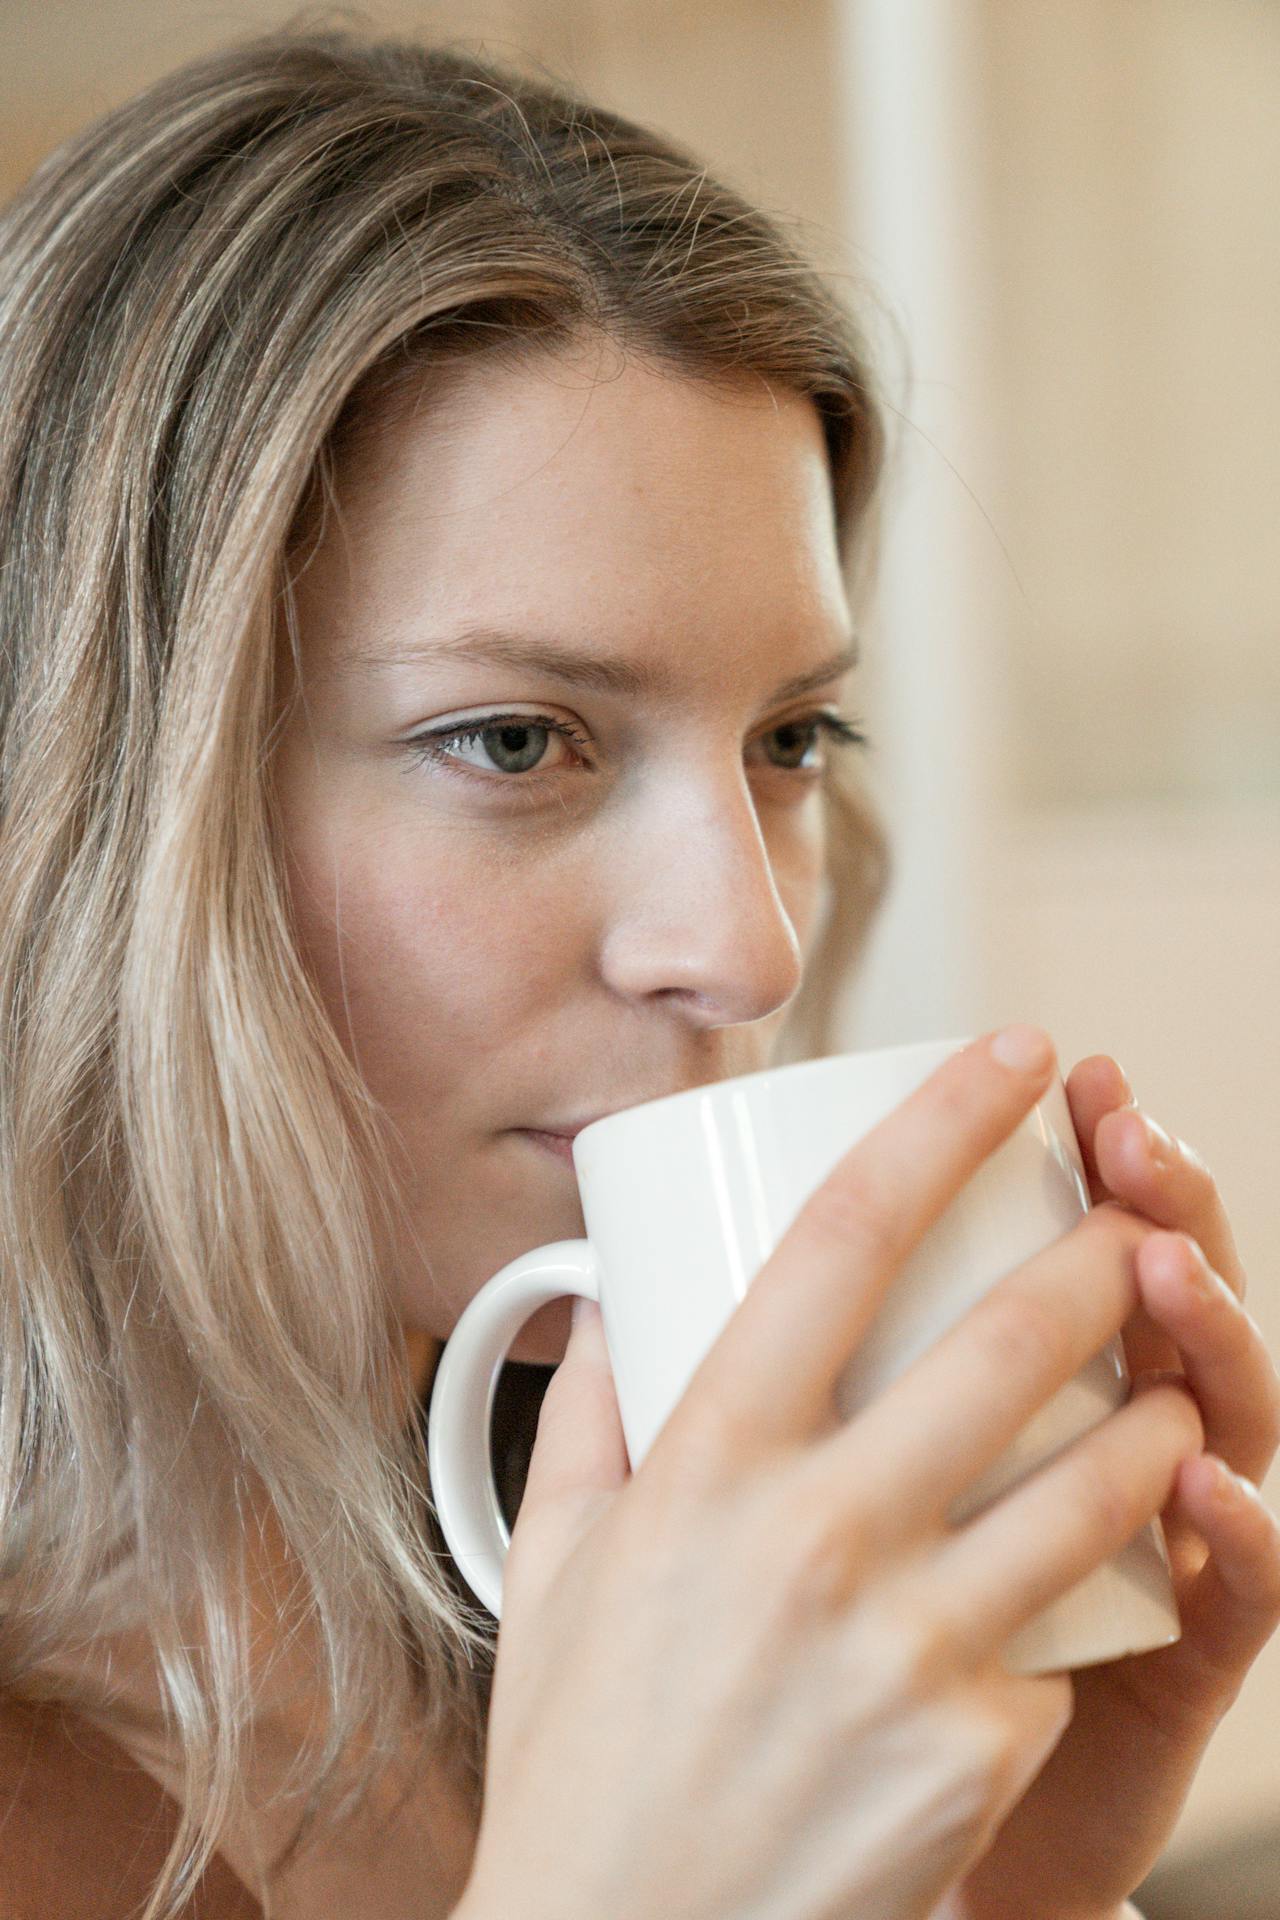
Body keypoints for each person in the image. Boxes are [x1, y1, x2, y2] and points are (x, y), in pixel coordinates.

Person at [0, 21, 1276, 1920]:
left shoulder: (663, 1645)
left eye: (792, 740)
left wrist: (1000, 1891)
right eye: (516, 742)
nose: (749, 947)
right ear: (90, 802)